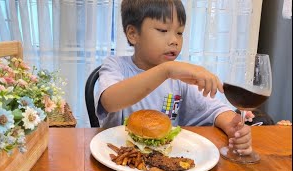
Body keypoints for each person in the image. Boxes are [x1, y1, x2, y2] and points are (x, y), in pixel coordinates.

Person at [95, 0, 254, 155]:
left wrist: (233, 127)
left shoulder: (178, 76)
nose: (174, 41)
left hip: (165, 160)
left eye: (179, 33)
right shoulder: (116, 65)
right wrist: (166, 70)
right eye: (163, 30)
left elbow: (214, 110)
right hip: (116, 155)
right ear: (133, 34)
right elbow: (110, 101)